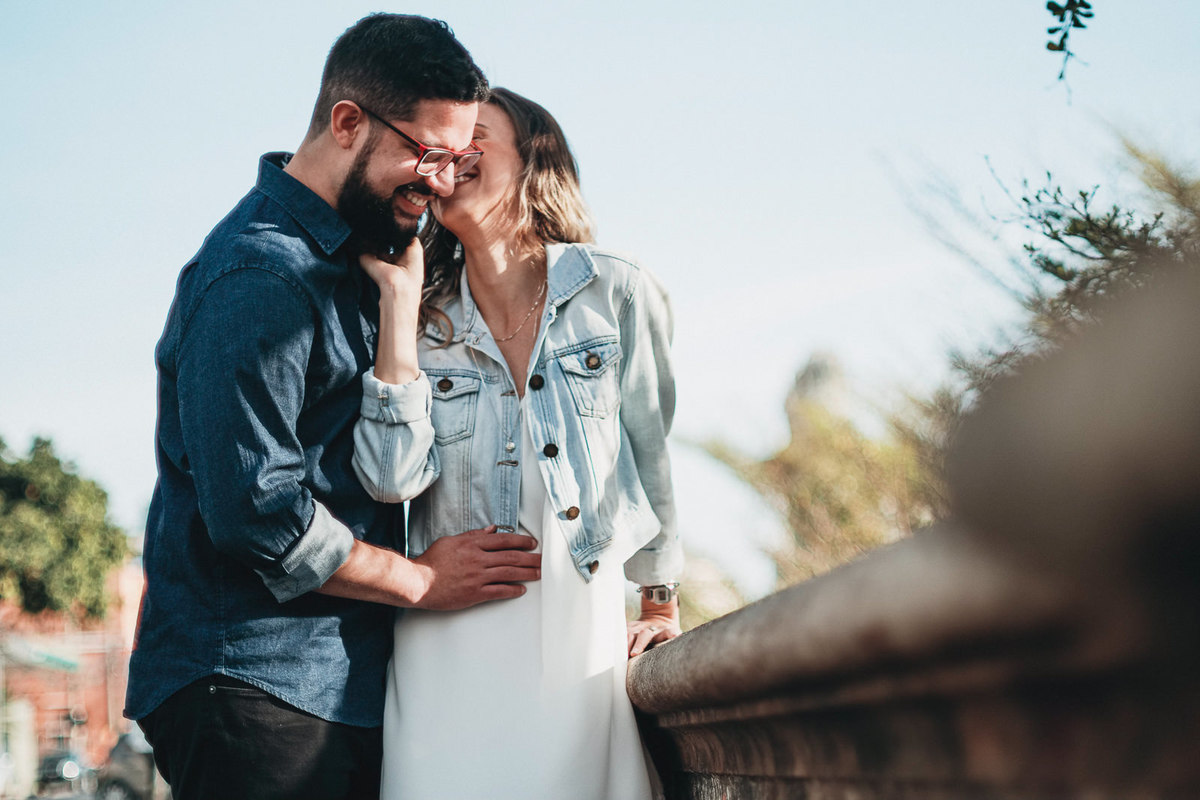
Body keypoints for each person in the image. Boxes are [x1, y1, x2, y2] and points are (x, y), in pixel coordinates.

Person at [124, 16, 541, 800]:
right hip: (251, 682)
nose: (444, 182)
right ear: (347, 122)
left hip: (317, 686)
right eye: (429, 153)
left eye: (458, 161)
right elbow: (259, 513)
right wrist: (420, 582)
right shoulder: (261, 276)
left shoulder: (356, 260)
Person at [355, 87, 684, 800]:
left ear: (535, 159)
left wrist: (658, 603)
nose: (447, 163)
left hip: (575, 637)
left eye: (472, 141)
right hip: (445, 644)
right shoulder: (418, 319)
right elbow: (388, 479)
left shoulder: (616, 292)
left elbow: (650, 450)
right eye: (436, 152)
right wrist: (396, 310)